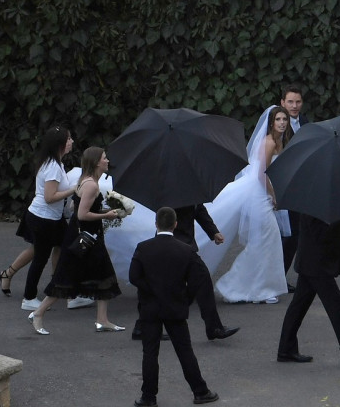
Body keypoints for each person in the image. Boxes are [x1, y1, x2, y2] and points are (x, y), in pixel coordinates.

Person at [129, 207, 219, 407]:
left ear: (156, 224)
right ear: (175, 224)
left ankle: (149, 396)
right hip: (175, 307)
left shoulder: (143, 247)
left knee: (150, 352)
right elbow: (198, 279)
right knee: (184, 350)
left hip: (150, 308)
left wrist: (151, 291)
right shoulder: (185, 250)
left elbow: (134, 277)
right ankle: (200, 391)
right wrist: (184, 298)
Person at [28, 147, 123, 335]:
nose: (107, 161)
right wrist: (108, 215)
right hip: (85, 238)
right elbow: (82, 214)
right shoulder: (91, 185)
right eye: (104, 158)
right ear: (97, 162)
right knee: (66, 276)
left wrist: (105, 212)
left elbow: (74, 205)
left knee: (103, 274)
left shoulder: (85, 181)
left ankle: (102, 320)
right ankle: (38, 313)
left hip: (87, 236)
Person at [210, 106, 289, 304]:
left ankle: (261, 287)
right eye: (278, 119)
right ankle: (235, 286)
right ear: (271, 123)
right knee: (266, 241)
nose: (282, 123)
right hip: (258, 196)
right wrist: (273, 196)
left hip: (262, 194)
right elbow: (262, 174)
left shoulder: (279, 141)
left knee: (265, 243)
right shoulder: (269, 142)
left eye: (284, 119)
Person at [130, 203, 240, 341]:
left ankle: (213, 327)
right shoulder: (168, 189)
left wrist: (213, 231)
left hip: (184, 245)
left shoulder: (189, 187)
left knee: (201, 279)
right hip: (171, 244)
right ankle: (143, 326)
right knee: (160, 283)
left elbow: (198, 208)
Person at [0, 125, 76, 311]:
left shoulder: (55, 163)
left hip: (50, 218)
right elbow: (49, 197)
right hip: (43, 218)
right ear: (60, 144)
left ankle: (55, 284)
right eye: (69, 139)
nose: (72, 142)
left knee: (62, 246)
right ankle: (29, 298)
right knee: (41, 257)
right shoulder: (53, 167)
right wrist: (73, 190)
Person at [276, 213, 340, 366]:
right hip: (315, 264)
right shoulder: (310, 203)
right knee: (337, 304)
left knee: (298, 306)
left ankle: (286, 350)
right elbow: (319, 234)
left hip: (311, 263)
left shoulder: (318, 199)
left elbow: (325, 230)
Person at [278, 84, 309, 293]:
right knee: (289, 236)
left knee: (302, 232)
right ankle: (278, 278)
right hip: (285, 188)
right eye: (290, 101)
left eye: (298, 101)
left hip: (304, 187)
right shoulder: (278, 125)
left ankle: (304, 274)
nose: (294, 106)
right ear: (282, 103)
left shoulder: (306, 124)